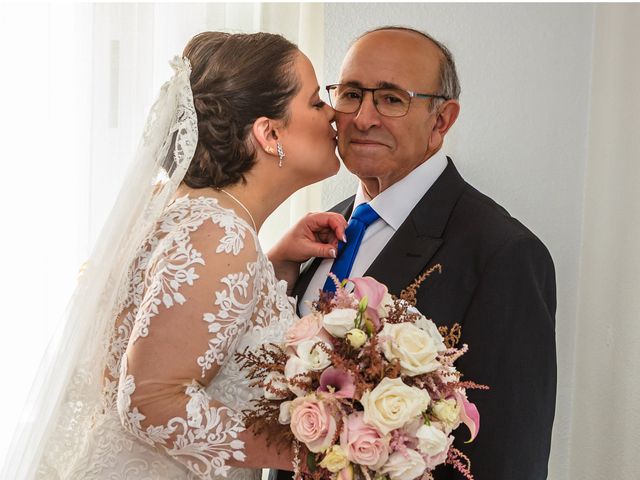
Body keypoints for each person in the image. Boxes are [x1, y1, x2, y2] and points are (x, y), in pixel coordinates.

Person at [3, 31, 347, 479]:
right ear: (269, 133)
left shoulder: (172, 206)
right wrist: (321, 451)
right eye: (317, 102)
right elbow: (150, 400)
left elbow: (203, 334)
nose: (334, 115)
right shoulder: (220, 236)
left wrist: (273, 265)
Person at [273, 26, 557, 480]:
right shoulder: (320, 230)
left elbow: (511, 457)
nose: (363, 117)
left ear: (441, 120)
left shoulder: (504, 254)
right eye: (350, 94)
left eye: (390, 99)